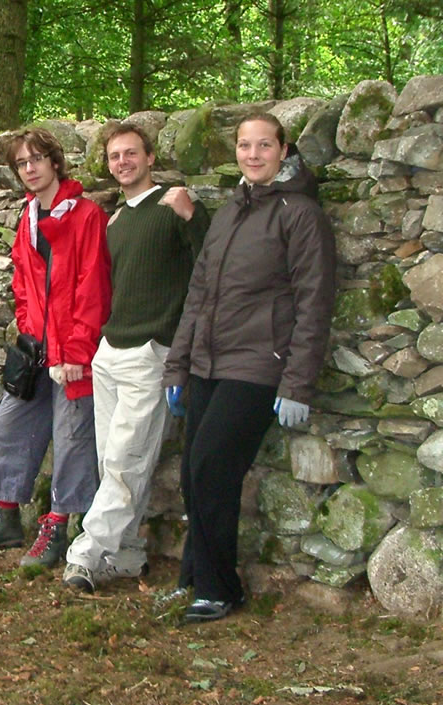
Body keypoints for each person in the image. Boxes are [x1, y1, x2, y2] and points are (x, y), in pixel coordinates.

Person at [162, 113, 335, 623]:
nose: (253, 154)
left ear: (284, 150)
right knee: (195, 476)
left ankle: (220, 590)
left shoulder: (300, 215)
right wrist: (178, 367)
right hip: (207, 363)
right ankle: (195, 579)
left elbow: (315, 302)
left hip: (259, 365)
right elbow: (199, 294)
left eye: (264, 145)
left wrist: (297, 382)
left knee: (213, 469)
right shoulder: (233, 209)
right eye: (244, 145)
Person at [62, 124, 210, 593]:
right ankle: (125, 553)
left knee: (127, 459)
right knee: (115, 461)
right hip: (111, 348)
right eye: (114, 156)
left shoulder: (173, 205)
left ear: (150, 157)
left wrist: (194, 217)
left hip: (152, 351)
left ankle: (85, 554)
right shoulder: (116, 220)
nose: (122, 162)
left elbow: (213, 264)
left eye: (131, 154)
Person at [0, 128, 110, 568]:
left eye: (36, 160)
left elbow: (93, 288)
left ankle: (59, 526)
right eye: (22, 163)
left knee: (71, 440)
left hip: (75, 353)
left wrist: (77, 353)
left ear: (55, 162)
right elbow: (25, 286)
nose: (29, 169)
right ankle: (6, 516)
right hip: (39, 350)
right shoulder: (28, 215)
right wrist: (31, 334)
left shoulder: (85, 216)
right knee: (8, 427)